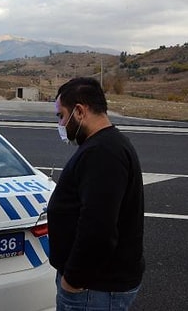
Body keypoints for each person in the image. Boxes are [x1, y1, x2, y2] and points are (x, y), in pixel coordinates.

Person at [47, 77, 145, 310]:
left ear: (79, 111)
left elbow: (98, 227)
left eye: (61, 116)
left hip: (94, 289)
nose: (61, 124)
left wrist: (73, 280)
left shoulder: (103, 152)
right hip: (95, 285)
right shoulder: (106, 145)